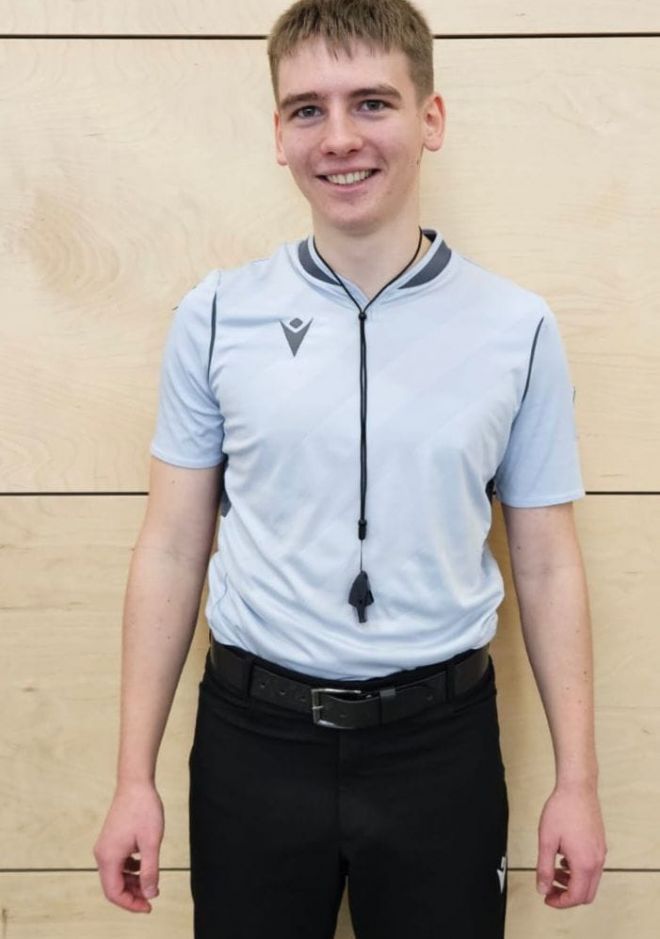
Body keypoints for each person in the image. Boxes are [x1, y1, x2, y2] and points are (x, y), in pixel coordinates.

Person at [93, 0, 607, 935]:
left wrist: (578, 780)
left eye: (372, 102)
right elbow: (170, 546)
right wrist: (134, 776)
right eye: (308, 109)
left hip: (440, 750)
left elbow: (547, 561)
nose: (339, 138)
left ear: (430, 118)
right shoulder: (216, 315)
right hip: (253, 744)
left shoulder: (517, 327)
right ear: (278, 135)